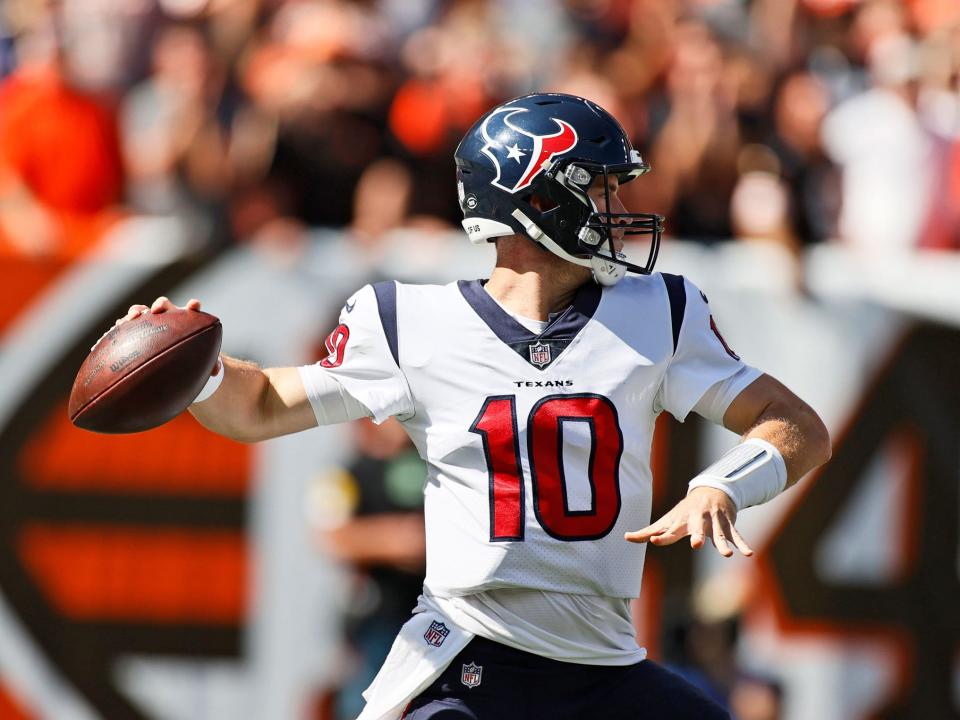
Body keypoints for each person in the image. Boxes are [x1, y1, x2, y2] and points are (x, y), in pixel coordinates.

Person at [117, 93, 831, 720]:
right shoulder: (407, 323)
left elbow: (797, 425)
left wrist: (723, 484)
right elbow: (263, 406)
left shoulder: (660, 312)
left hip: (606, 668)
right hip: (471, 665)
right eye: (600, 189)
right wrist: (194, 366)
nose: (618, 210)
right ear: (540, 199)